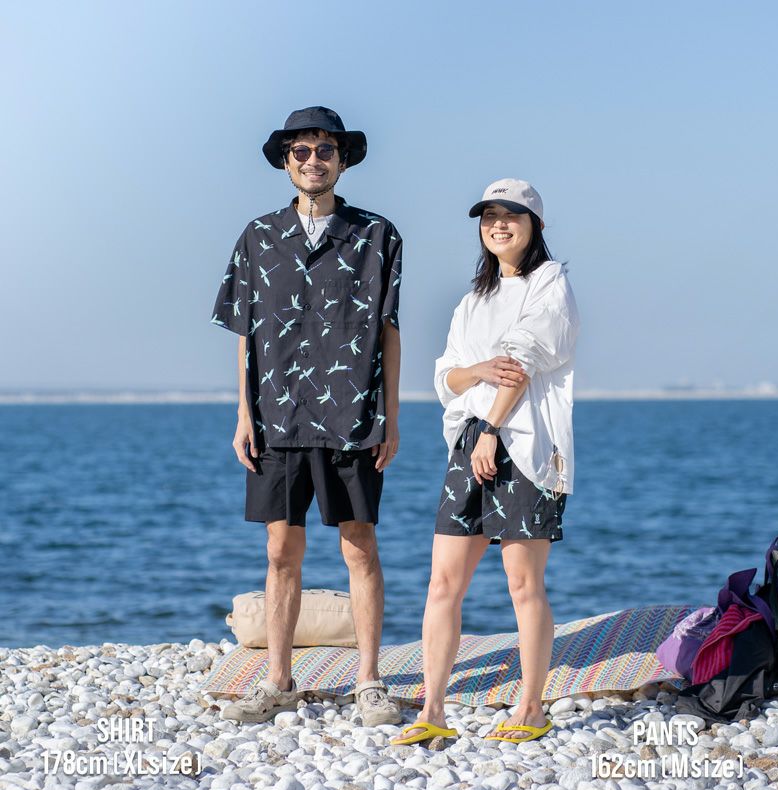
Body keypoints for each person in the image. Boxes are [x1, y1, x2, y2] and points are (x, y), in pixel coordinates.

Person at [211, 106, 402, 726]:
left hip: (352, 413)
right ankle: (278, 678)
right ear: (286, 162)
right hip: (277, 413)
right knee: (279, 550)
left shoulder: (378, 235)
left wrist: (391, 416)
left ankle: (369, 681)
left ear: (342, 160)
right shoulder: (258, 236)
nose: (313, 160)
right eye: (301, 151)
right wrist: (243, 413)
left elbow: (389, 330)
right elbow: (244, 331)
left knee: (359, 546)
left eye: (325, 150)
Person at [392, 178, 579, 745]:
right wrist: (477, 373)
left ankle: (531, 708)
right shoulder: (472, 301)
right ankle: (433, 709)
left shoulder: (550, 282)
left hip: (525, 444)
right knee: (443, 582)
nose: (499, 224)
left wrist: (492, 428)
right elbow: (446, 378)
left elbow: (520, 362)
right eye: (489, 215)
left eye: (511, 215)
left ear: (535, 224)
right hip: (471, 440)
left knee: (523, 582)